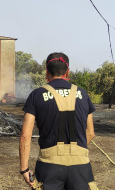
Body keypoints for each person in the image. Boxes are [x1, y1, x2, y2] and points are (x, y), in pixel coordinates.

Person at [19, 52, 97, 190]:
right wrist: (75, 152)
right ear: (67, 72)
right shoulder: (83, 94)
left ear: (46, 71)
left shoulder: (36, 95)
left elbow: (25, 135)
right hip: (80, 166)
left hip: (49, 166)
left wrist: (24, 169)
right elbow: (90, 133)